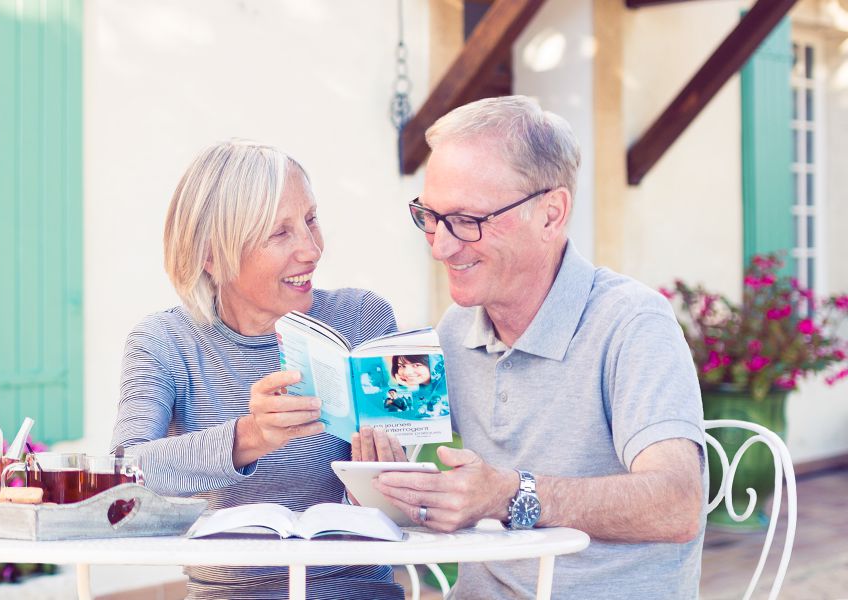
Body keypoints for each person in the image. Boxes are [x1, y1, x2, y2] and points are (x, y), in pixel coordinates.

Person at [370, 95, 706, 599]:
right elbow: (405, 466)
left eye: (468, 220)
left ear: (551, 214)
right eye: (431, 216)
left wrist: (510, 495)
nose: (441, 245)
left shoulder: (633, 323)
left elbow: (677, 504)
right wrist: (381, 466)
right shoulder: (457, 328)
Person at [111, 140, 405, 599]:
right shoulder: (165, 341)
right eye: (280, 233)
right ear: (212, 255)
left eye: (311, 220)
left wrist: (384, 480)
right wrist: (251, 437)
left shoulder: (361, 320)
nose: (312, 250)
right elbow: (123, 473)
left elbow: (397, 507)